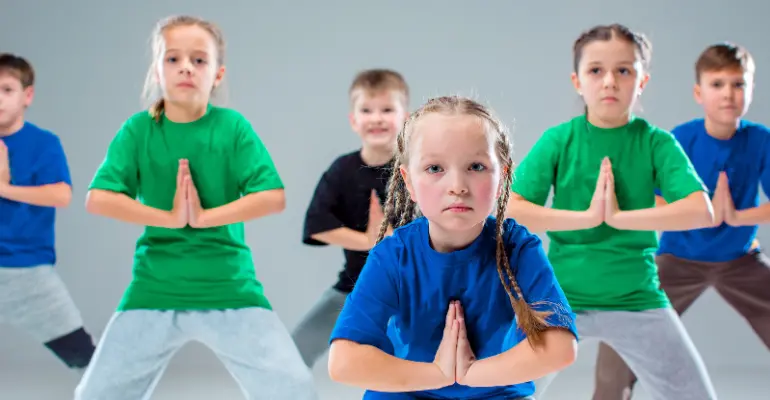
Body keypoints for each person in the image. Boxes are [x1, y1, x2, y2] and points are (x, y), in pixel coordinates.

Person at [74, 15, 316, 400]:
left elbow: (272, 196)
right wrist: (169, 219)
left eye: (199, 60)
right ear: (157, 70)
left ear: (217, 74)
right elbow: (98, 198)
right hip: (155, 287)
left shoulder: (232, 127)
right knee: (94, 395)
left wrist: (203, 218)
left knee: (294, 388)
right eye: (173, 59)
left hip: (229, 286)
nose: (186, 66)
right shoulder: (138, 130)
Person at [506, 24, 719, 400]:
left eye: (624, 70)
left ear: (642, 80)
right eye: (596, 70)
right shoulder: (560, 139)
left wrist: (620, 218)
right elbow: (512, 209)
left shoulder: (655, 142)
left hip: (638, 299)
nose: (610, 81)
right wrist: (586, 218)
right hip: (561, 298)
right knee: (500, 390)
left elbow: (700, 211)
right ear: (577, 81)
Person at [327, 95, 579, 399]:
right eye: (435, 168)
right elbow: (343, 361)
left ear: (503, 177)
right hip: (407, 392)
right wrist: (437, 375)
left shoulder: (517, 247)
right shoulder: (394, 256)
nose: (457, 186)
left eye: (476, 166)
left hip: (494, 392)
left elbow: (561, 347)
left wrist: (471, 374)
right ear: (409, 182)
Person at [593, 42, 770, 400]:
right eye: (717, 84)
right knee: (623, 328)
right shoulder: (681, 139)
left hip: (740, 259)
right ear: (698, 92)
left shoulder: (760, 140)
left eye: (738, 84)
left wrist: (736, 217)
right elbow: (654, 197)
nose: (728, 94)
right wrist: (695, 212)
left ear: (751, 90)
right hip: (677, 258)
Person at [293, 68, 408, 368]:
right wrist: (367, 241)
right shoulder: (342, 171)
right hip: (354, 287)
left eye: (387, 109)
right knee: (293, 354)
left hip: (410, 290)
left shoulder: (417, 169)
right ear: (353, 120)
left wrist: (395, 242)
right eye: (366, 110)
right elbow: (318, 225)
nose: (377, 118)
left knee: (414, 360)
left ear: (405, 117)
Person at [0, 53, 96, 372]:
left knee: (83, 356)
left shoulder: (42, 143)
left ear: (27, 95)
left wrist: (4, 188)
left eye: (7, 89)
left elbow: (61, 195)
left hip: (26, 272)